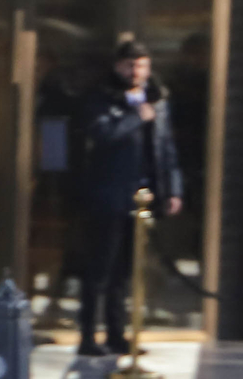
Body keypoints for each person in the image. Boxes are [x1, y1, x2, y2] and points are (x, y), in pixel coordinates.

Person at [73, 41, 184, 357]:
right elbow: (102, 134)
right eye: (129, 66)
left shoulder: (158, 100)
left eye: (141, 66)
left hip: (143, 198)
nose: (135, 72)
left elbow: (166, 149)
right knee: (100, 270)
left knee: (125, 272)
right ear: (117, 67)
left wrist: (173, 189)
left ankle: (117, 334)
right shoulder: (101, 98)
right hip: (108, 195)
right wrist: (137, 117)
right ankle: (86, 336)